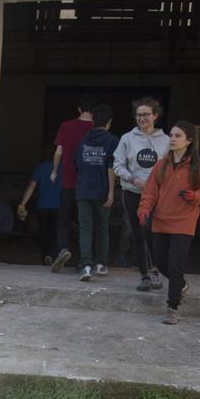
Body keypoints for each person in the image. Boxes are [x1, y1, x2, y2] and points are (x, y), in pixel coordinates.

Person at [138, 121, 200, 325]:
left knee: (175, 265)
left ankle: (172, 307)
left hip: (184, 222)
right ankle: (182, 285)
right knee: (160, 263)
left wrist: (194, 196)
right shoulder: (161, 165)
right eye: (171, 135)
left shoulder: (199, 165)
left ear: (188, 141)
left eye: (177, 136)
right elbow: (150, 191)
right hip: (161, 220)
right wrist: (144, 209)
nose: (172, 139)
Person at [113, 97, 169, 292]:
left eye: (146, 114)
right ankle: (144, 275)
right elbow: (117, 165)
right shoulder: (127, 139)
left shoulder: (166, 141)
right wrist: (133, 179)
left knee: (151, 232)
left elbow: (171, 167)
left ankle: (156, 270)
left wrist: (159, 186)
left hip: (156, 195)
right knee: (137, 233)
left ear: (155, 115)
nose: (142, 118)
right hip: (132, 192)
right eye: (138, 115)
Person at [48, 94, 96, 273]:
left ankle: (63, 249)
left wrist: (54, 171)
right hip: (89, 184)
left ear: (78, 109)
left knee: (64, 219)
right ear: (94, 111)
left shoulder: (66, 126)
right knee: (86, 222)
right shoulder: (95, 128)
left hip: (68, 181)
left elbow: (59, 152)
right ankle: (85, 259)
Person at [72, 104, 118, 281]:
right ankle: (101, 263)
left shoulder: (83, 140)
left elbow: (76, 164)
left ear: (93, 120)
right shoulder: (112, 141)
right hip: (102, 191)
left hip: (83, 190)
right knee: (102, 227)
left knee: (85, 227)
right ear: (109, 122)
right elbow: (111, 167)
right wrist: (111, 192)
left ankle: (85, 265)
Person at [16, 147, 62, 265]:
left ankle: (46, 256)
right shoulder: (63, 168)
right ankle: (55, 256)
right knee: (55, 233)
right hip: (59, 206)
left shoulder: (40, 168)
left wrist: (23, 203)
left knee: (44, 233)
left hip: (43, 207)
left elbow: (32, 186)